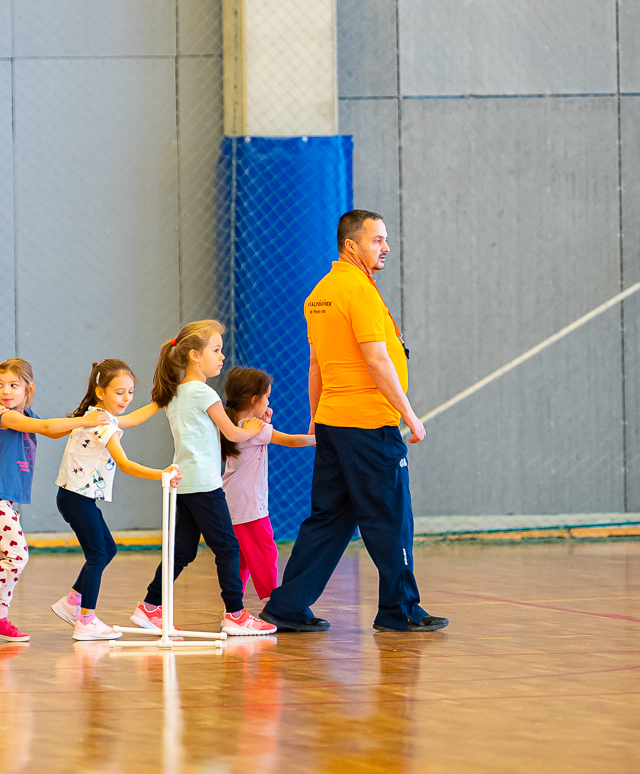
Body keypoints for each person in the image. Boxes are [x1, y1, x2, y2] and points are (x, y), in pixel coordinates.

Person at [261, 210, 448, 635]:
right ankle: (399, 610)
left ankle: (287, 606)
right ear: (352, 244)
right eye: (377, 240)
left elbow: (316, 366)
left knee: (329, 519)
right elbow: (377, 359)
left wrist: (316, 420)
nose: (385, 248)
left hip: (334, 424)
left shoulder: (320, 293)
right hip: (369, 427)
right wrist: (409, 414)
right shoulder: (358, 291)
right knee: (392, 517)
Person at [129, 322, 276, 637]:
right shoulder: (203, 393)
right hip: (204, 484)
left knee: (183, 550)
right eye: (216, 350)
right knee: (227, 547)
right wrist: (255, 427)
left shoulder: (176, 393)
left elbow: (141, 416)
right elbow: (233, 433)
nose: (221, 357)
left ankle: (150, 607)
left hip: (184, 482)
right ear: (195, 355)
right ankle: (235, 614)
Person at [0, 358, 109, 643]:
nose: (5, 391)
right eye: (0, 385)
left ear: (29, 388)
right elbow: (49, 429)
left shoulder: (28, 414)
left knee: (10, 558)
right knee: (17, 557)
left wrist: (85, 419)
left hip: (6, 500)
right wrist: (85, 420)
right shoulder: (5, 416)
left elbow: (55, 429)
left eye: (13, 385)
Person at [50, 359, 176, 641]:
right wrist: (162, 474)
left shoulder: (99, 416)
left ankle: (72, 602)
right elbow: (126, 464)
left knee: (108, 549)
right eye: (120, 392)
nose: (127, 398)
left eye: (130, 392)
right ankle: (86, 619)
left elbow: (131, 419)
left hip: (76, 498)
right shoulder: (101, 424)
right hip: (76, 498)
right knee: (97, 555)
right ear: (100, 392)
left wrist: (160, 400)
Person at [220, 367, 314, 607]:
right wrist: (319, 438)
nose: (269, 402)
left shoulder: (235, 424)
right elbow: (291, 440)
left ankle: (234, 607)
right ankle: (274, 601)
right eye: (267, 397)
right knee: (265, 550)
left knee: (240, 557)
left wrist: (263, 420)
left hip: (231, 501)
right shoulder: (256, 429)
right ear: (254, 399)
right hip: (249, 504)